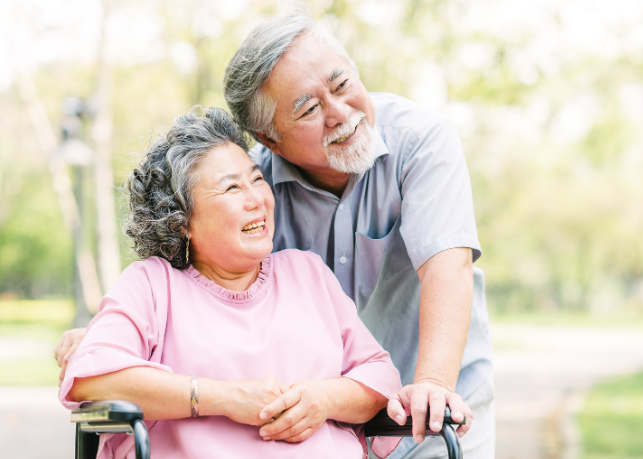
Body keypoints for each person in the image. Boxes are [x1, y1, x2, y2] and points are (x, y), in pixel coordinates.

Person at [56, 5, 494, 458]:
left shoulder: (420, 142)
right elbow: (183, 269)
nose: (340, 112)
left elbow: (448, 268)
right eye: (308, 108)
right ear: (270, 139)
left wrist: (427, 384)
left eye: (343, 84)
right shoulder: (254, 183)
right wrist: (106, 333)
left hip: (430, 396)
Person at [58, 107, 403, 459]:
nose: (256, 199)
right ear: (182, 221)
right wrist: (225, 398)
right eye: (232, 188)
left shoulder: (308, 273)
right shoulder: (152, 285)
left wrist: (324, 399)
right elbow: (92, 378)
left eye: (256, 180)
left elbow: (380, 376)